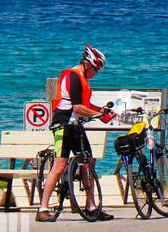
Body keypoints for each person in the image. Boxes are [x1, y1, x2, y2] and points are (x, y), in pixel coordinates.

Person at [36, 46, 116, 222]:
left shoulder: (83, 79)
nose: (96, 73)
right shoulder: (72, 76)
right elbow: (77, 107)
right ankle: (42, 209)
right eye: (96, 69)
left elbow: (85, 105)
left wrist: (103, 111)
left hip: (76, 126)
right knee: (59, 166)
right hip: (63, 125)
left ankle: (91, 207)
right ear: (88, 64)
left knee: (89, 162)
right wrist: (97, 114)